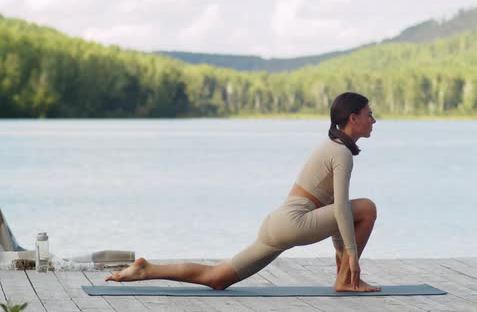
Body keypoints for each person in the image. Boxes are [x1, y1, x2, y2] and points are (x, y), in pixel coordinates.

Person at [105, 92, 380, 292]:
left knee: (218, 278)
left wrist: (342, 261)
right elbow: (343, 209)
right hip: (294, 222)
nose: (374, 120)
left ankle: (147, 269)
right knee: (367, 208)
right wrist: (351, 257)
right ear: (353, 118)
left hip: (278, 224)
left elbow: (334, 212)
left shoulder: (331, 146)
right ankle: (346, 280)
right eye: (369, 115)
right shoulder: (341, 153)